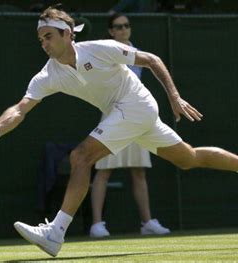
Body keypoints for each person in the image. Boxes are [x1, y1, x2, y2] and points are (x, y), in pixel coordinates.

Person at [0, 5, 238, 257]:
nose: (44, 43)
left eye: (49, 36)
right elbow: (19, 109)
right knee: (188, 158)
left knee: (81, 157)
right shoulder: (48, 75)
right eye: (40, 39)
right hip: (125, 114)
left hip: (136, 104)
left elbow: (152, 60)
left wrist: (174, 97)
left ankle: (55, 233)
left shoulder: (102, 48)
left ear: (68, 35)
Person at [89, 13, 169, 238]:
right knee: (103, 171)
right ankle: (97, 224)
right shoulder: (105, 50)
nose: (124, 29)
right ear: (111, 31)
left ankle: (147, 222)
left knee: (139, 171)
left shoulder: (137, 53)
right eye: (118, 26)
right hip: (111, 116)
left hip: (135, 116)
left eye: (126, 26)